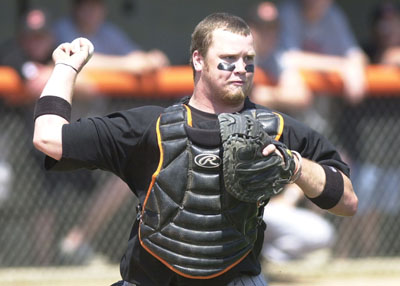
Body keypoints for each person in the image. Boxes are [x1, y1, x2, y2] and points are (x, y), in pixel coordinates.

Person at [33, 12, 357, 286]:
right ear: (198, 59)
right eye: (228, 60)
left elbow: (347, 202)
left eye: (248, 60)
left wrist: (298, 168)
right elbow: (48, 138)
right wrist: (67, 67)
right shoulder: (153, 128)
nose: (240, 68)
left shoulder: (276, 130)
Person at [277, 0, 368, 105]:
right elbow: (288, 58)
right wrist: (342, 65)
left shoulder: (333, 14)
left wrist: (355, 66)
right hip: (293, 109)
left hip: (325, 107)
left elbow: (355, 53)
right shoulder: (288, 12)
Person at [53, 0, 169, 74]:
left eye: (96, 5)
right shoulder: (62, 28)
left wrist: (149, 58)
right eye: (87, 6)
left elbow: (133, 55)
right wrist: (125, 64)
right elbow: (76, 61)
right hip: (72, 106)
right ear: (76, 9)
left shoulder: (107, 30)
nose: (92, 11)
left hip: (101, 106)